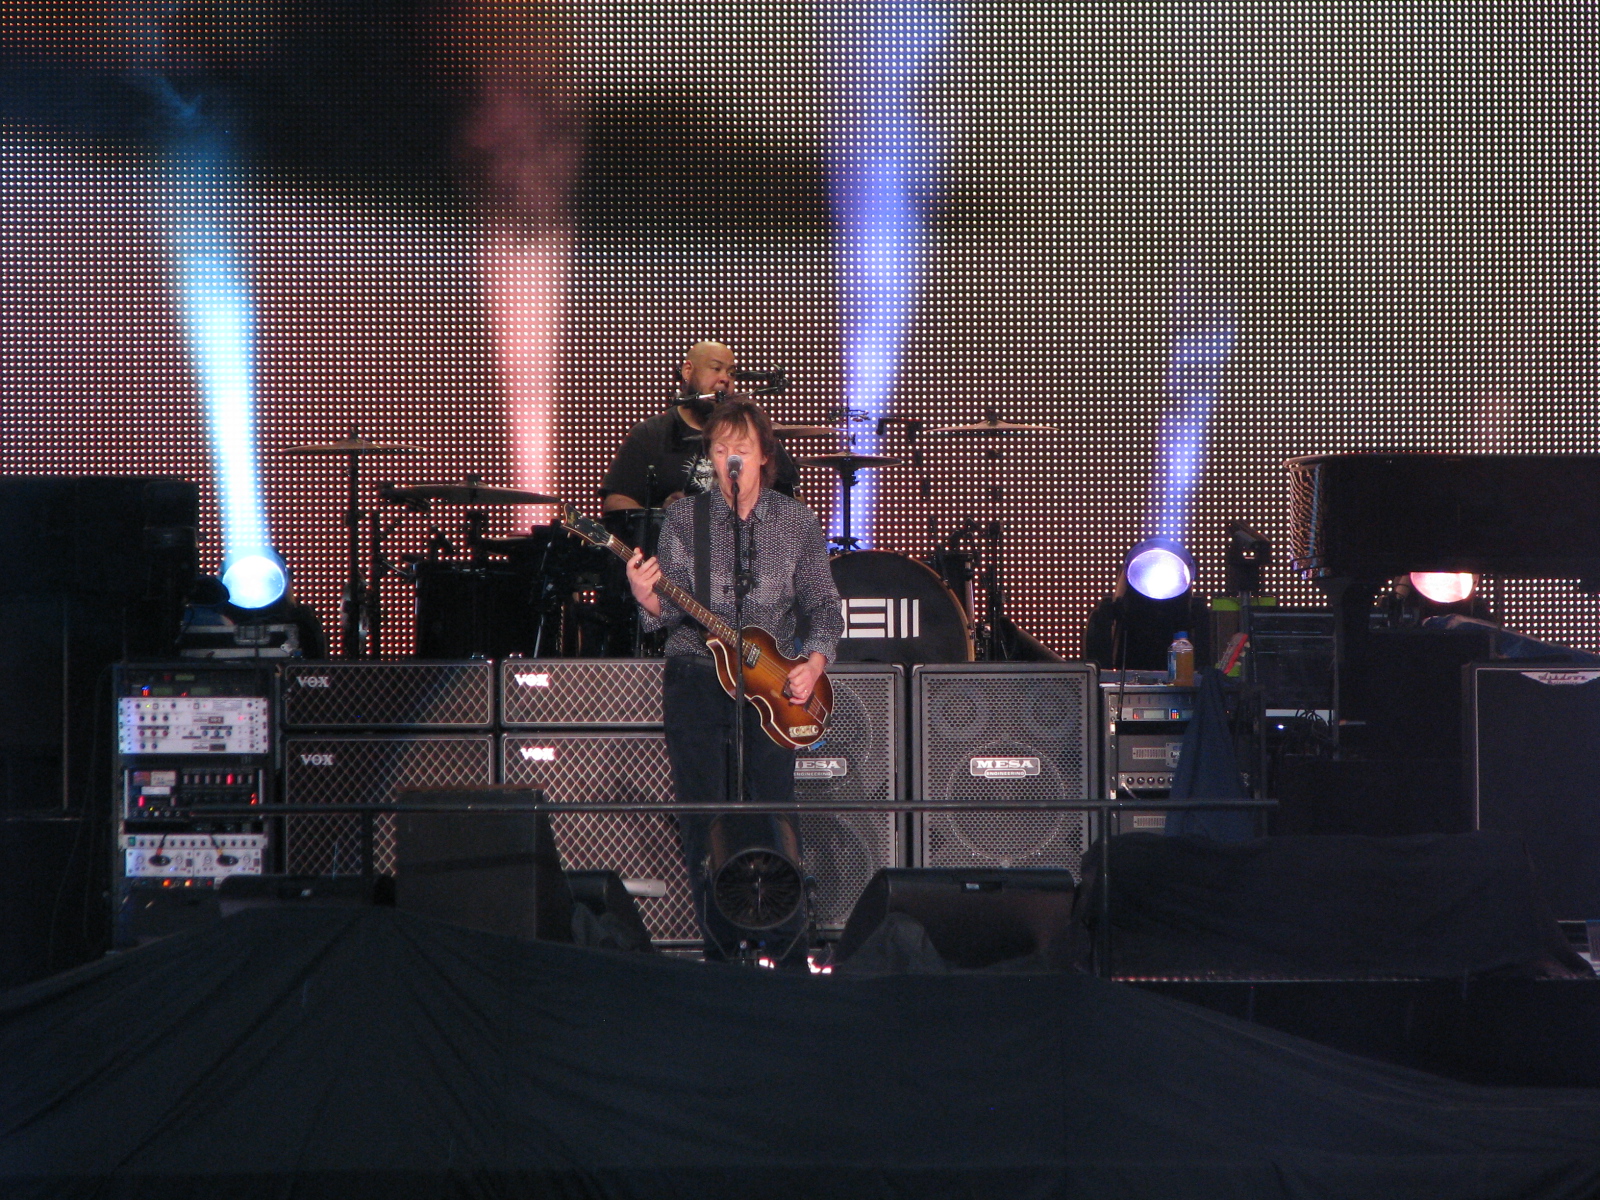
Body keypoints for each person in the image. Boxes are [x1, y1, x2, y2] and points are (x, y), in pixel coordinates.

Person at [625, 396, 842, 965]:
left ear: (763, 455)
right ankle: (720, 952)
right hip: (696, 680)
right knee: (705, 820)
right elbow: (668, 613)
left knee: (775, 814)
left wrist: (813, 663)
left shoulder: (796, 522)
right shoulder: (685, 520)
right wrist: (647, 597)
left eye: (740, 448)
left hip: (771, 687)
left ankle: (789, 952)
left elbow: (824, 606)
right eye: (720, 450)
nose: (730, 459)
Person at [601, 340, 800, 512]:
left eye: (731, 373)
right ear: (688, 371)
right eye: (716, 369)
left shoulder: (753, 434)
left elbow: (793, 504)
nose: (725, 379)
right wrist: (661, 519)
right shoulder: (650, 434)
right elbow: (617, 501)